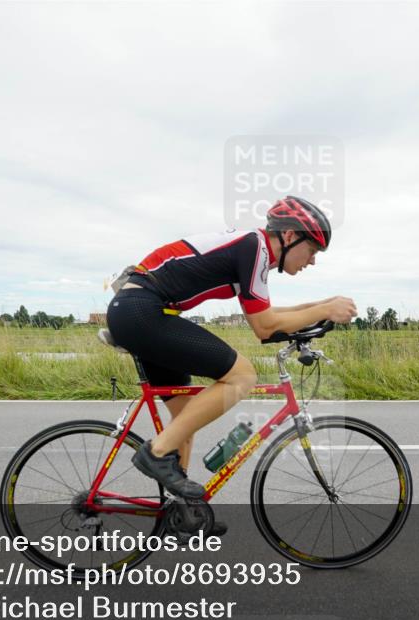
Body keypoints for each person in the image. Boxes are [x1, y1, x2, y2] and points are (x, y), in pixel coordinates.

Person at [105, 196, 357, 534]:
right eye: (312, 250)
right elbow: (264, 327)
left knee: (184, 421)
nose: (312, 261)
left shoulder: (254, 254)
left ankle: (184, 514)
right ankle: (154, 453)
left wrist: (322, 305)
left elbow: (270, 315)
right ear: (289, 236)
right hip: (142, 311)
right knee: (242, 375)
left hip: (139, 311)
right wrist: (324, 311)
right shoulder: (254, 248)